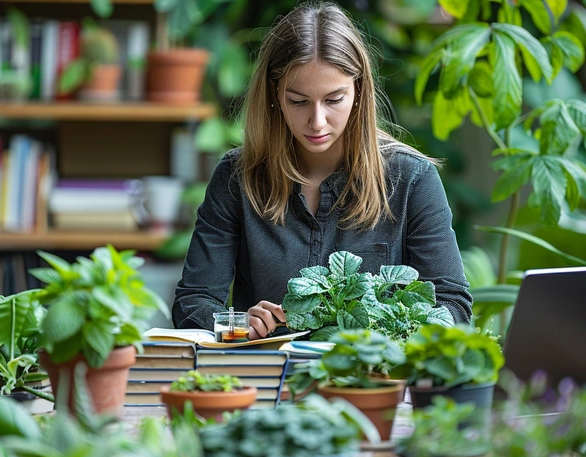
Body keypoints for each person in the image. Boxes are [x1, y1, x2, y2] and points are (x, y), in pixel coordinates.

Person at [172, 1, 472, 339]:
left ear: (358, 91)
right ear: (275, 96)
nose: (317, 121)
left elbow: (454, 306)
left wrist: (391, 328)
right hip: (266, 379)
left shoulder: (412, 180)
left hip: (372, 378)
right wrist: (240, 324)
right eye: (298, 101)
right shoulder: (237, 177)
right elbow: (192, 302)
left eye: (334, 100)